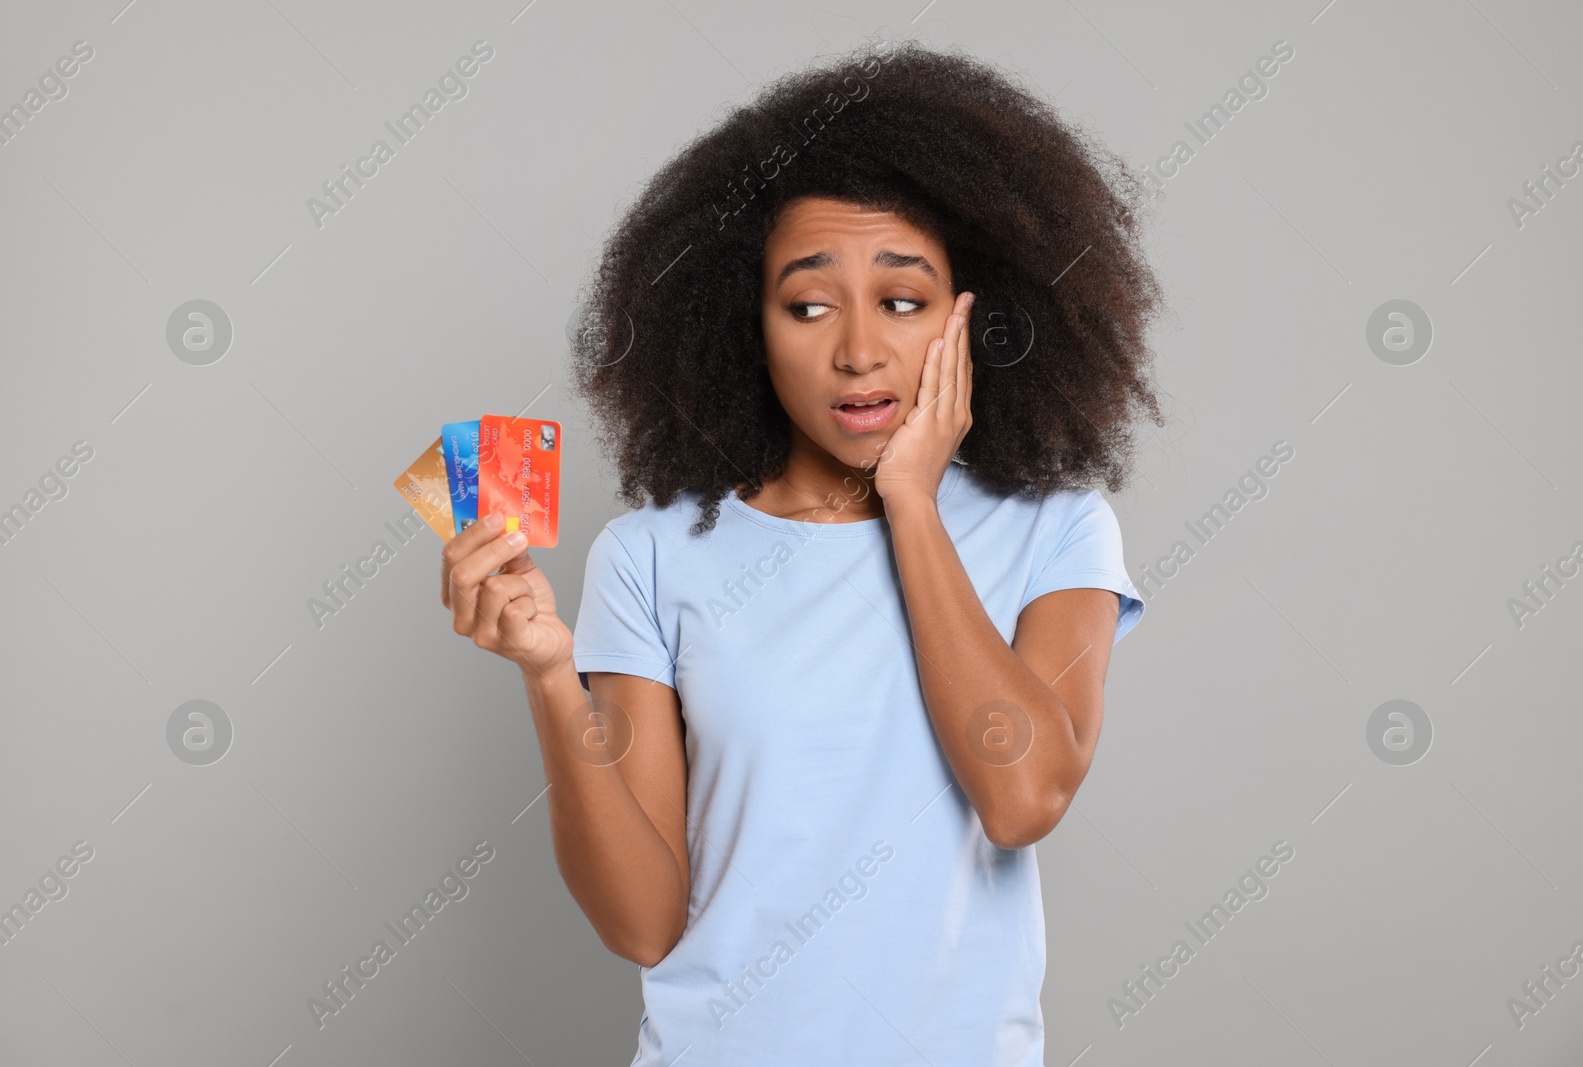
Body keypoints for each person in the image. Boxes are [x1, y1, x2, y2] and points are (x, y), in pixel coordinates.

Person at [439, 36, 1165, 1067]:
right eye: (809, 304)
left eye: (903, 301)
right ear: (748, 325)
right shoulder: (649, 556)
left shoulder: (1052, 526)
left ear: (975, 313)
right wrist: (553, 677)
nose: (859, 349)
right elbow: (643, 924)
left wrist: (909, 498)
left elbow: (1023, 795)